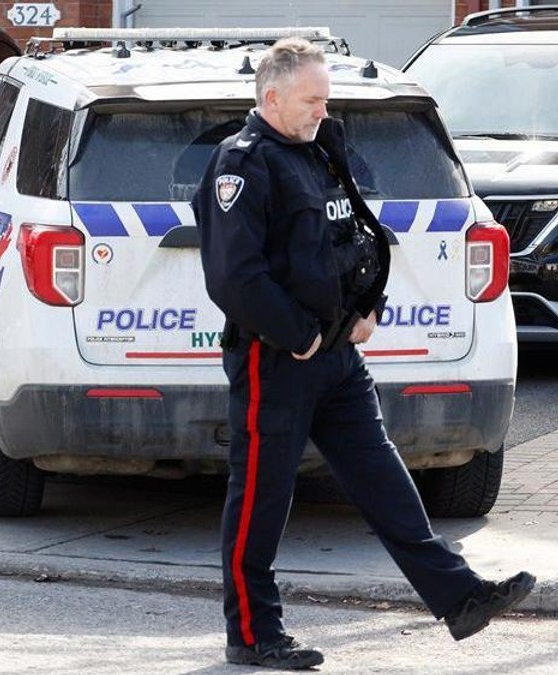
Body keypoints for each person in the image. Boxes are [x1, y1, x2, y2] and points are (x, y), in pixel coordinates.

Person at [193, 37, 534, 670]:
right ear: (271, 97)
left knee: (385, 480)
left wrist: (366, 306)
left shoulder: (319, 151)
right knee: (261, 499)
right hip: (279, 359)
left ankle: (458, 597)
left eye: (325, 99)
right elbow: (235, 278)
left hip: (337, 356)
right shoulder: (242, 165)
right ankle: (252, 634)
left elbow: (349, 237)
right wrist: (301, 335)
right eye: (311, 99)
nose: (322, 110)